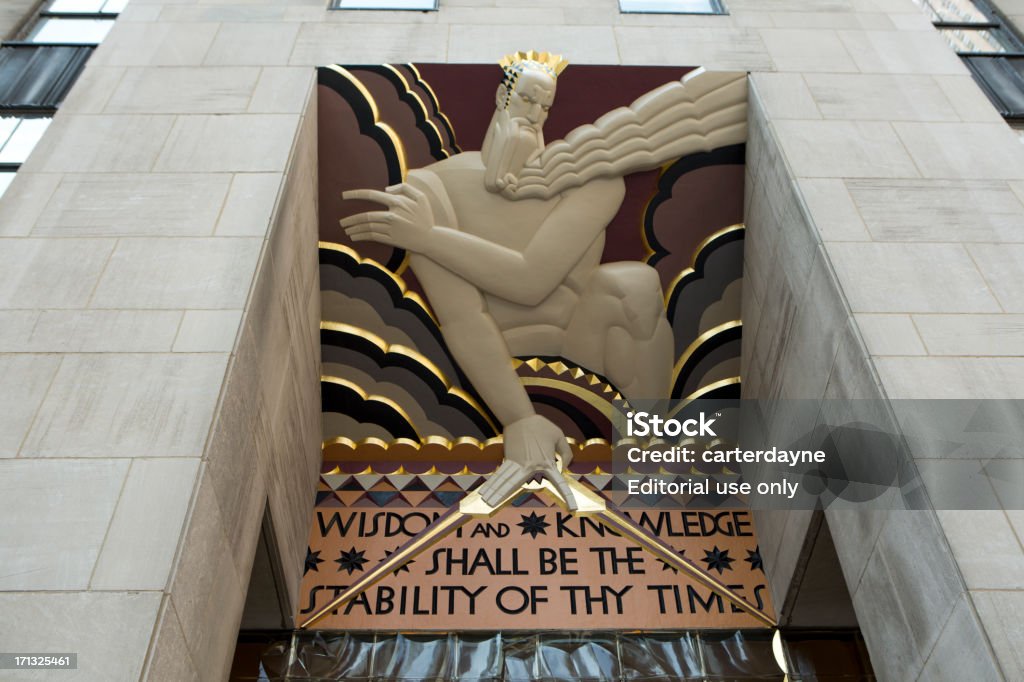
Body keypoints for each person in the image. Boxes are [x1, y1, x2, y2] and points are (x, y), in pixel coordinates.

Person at [341, 53, 673, 510]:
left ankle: (652, 452)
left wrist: (430, 238)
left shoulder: (591, 181)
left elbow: (530, 280)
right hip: (488, 356)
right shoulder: (432, 187)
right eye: (526, 99)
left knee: (634, 284)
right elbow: (461, 315)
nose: (533, 114)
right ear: (503, 95)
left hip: (583, 337)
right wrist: (520, 419)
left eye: (544, 106)